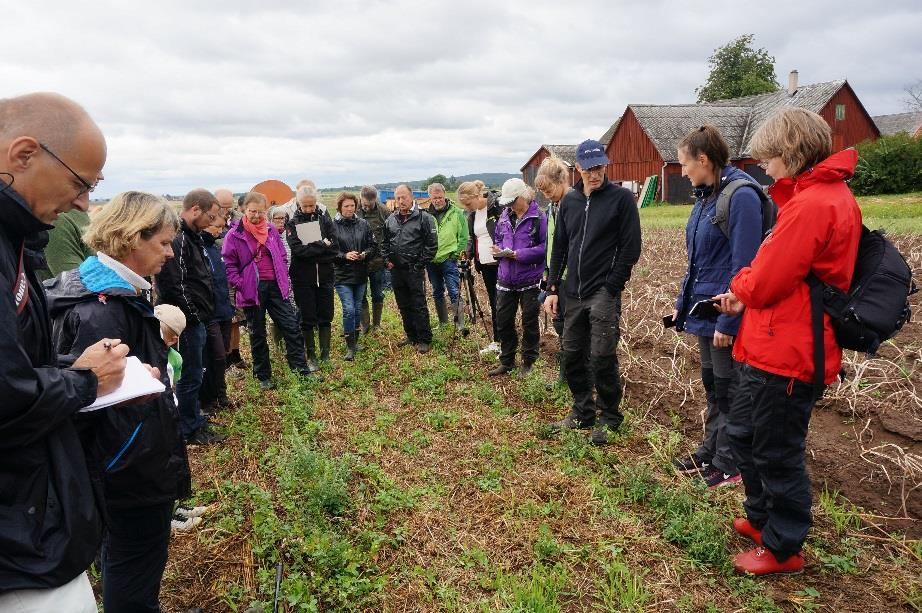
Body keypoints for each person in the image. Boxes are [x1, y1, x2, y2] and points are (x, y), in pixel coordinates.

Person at [714, 108, 862, 576]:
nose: (764, 166)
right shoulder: (810, 197)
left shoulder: (816, 203)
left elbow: (769, 278)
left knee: (776, 451)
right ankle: (761, 519)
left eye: (769, 157)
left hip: (791, 349)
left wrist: (740, 285)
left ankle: (784, 546)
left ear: (791, 152)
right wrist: (746, 290)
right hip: (770, 341)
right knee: (745, 436)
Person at [0, 92, 127, 611]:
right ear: (24, 153)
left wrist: (66, 370)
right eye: (80, 183)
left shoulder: (15, 239)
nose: (82, 202)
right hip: (17, 541)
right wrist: (83, 381)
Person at [46, 191, 191, 613]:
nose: (169, 251)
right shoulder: (102, 310)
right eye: (162, 242)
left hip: (122, 460)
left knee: (127, 560)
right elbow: (94, 398)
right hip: (128, 466)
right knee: (135, 562)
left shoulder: (110, 290)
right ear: (131, 238)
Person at [669, 125, 764, 489]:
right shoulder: (706, 195)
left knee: (729, 388)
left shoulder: (740, 197)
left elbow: (744, 266)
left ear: (703, 160)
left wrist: (729, 320)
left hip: (725, 313)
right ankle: (710, 449)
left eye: (684, 164)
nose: (683, 171)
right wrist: (682, 304)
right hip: (704, 309)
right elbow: (697, 261)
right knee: (713, 383)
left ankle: (730, 461)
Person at [544, 139, 642, 446]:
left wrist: (611, 286)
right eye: (588, 169)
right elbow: (560, 245)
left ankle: (610, 417)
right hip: (572, 292)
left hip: (602, 292)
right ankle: (582, 411)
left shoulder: (621, 200)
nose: (594, 174)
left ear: (605, 165)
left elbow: (630, 248)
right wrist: (553, 288)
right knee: (572, 355)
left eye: (598, 167)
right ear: (579, 170)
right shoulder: (570, 201)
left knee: (601, 357)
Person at [223, 191, 312, 389]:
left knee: (291, 326)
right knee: (257, 333)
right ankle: (263, 376)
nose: (256, 215)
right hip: (252, 289)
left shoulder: (271, 230)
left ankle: (301, 370)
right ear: (243, 210)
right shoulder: (234, 235)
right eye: (252, 211)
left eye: (260, 212)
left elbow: (281, 254)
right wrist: (240, 284)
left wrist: (282, 275)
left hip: (275, 286)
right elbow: (229, 264)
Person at [155, 188, 223, 445]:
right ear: (195, 209)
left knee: (195, 372)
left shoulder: (193, 237)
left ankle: (194, 417)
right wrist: (193, 316)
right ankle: (189, 429)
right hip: (185, 322)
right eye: (211, 216)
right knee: (188, 375)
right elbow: (175, 283)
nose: (213, 222)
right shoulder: (179, 239)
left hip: (197, 319)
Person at [488, 179, 546, 377]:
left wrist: (518, 254)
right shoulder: (504, 217)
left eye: (513, 201)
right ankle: (507, 360)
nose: (509, 205)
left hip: (529, 279)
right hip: (505, 278)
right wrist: (497, 250)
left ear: (523, 197)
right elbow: (498, 238)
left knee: (529, 322)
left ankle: (528, 362)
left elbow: (545, 248)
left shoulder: (539, 217)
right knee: (503, 321)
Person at [381, 184, 438, 353]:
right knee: (403, 305)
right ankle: (411, 335)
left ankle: (424, 338)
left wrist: (419, 264)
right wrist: (386, 260)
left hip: (414, 269)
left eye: (403, 197)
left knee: (418, 304)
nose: (400, 201)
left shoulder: (423, 218)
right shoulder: (391, 219)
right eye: (397, 198)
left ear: (411, 196)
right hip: (396, 270)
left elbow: (432, 245)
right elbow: (384, 243)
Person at [286, 184, 337, 367]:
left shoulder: (325, 220)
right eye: (305, 205)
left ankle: (325, 354)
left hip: (324, 275)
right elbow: (299, 251)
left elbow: (335, 247)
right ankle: (311, 355)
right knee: (307, 316)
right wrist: (322, 245)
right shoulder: (293, 223)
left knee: (326, 314)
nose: (308, 209)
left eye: (312, 205)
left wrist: (315, 248)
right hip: (302, 277)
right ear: (299, 203)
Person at [534, 158, 575, 384]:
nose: (547, 195)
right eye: (543, 191)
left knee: (571, 330)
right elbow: (552, 245)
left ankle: (571, 377)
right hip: (554, 274)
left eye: (549, 189)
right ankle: (565, 375)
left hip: (570, 278)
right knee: (560, 325)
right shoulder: (552, 208)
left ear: (561, 180)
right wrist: (548, 275)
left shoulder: (574, 205)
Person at [457, 180, 503, 354]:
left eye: (469, 203)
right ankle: (497, 342)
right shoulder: (473, 215)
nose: (467, 208)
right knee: (493, 302)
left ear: (476, 196)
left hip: (501, 263)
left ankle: (506, 343)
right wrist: (467, 255)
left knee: (502, 304)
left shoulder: (496, 207)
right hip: (485, 265)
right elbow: (472, 239)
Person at [332, 192, 377, 360]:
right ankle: (349, 347)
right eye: (346, 206)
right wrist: (344, 256)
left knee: (357, 309)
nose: (350, 209)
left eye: (352, 206)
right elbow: (329, 251)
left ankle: (355, 342)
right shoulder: (332, 226)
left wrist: (365, 254)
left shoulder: (363, 224)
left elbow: (373, 246)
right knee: (349, 309)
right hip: (342, 275)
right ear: (339, 207)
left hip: (360, 273)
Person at [200, 217, 235, 413]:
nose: (220, 231)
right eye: (217, 227)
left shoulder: (215, 249)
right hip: (210, 313)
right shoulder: (199, 250)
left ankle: (221, 395)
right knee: (216, 356)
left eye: (222, 227)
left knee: (222, 356)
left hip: (224, 310)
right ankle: (209, 398)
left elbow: (224, 280)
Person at [425, 182, 469, 327]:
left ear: (444, 196)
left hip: (449, 260)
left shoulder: (457, 213)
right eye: (434, 198)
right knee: (437, 291)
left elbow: (463, 237)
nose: (437, 200)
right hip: (432, 260)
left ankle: (460, 325)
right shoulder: (426, 216)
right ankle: (443, 322)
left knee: (454, 291)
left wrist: (455, 255)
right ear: (430, 198)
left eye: (439, 197)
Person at [357, 185, 390, 333]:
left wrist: (386, 257)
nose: (367, 208)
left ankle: (377, 325)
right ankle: (365, 325)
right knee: (361, 294)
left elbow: (391, 235)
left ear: (375, 200)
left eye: (370, 205)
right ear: (360, 199)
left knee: (377, 294)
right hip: (359, 261)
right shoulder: (353, 210)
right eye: (365, 205)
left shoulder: (384, 212)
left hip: (377, 261)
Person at [35, 208, 95, 281]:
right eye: (79, 195)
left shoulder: (79, 212)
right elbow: (74, 283)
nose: (84, 204)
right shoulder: (57, 219)